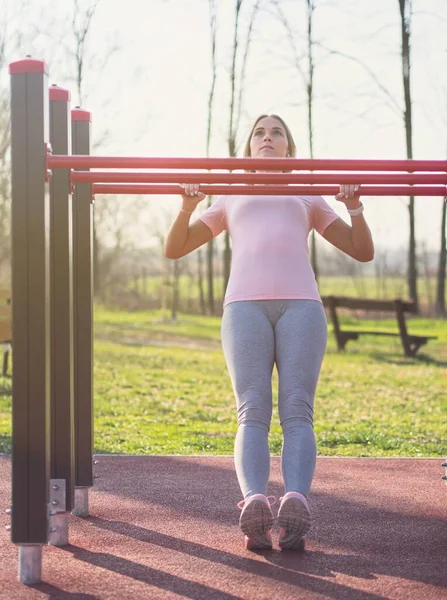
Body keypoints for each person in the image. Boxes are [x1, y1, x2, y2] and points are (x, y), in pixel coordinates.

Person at [164, 114, 374, 552]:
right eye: (260, 132)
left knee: (298, 410)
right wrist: (187, 205)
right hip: (244, 308)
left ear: (289, 149)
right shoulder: (231, 193)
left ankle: (296, 502)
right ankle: (255, 504)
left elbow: (361, 251)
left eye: (276, 132)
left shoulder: (306, 192)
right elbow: (175, 248)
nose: (267, 137)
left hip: (301, 306)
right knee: (252, 410)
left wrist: (354, 206)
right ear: (248, 149)